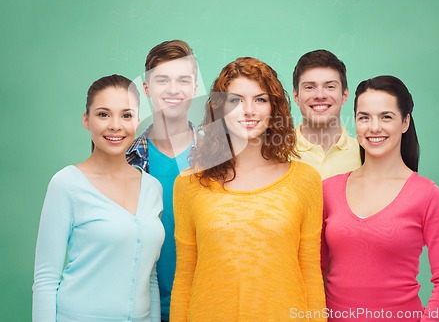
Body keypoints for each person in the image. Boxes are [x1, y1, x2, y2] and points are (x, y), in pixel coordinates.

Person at [170, 57, 326, 321]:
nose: (248, 110)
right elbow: (185, 276)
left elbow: (310, 274)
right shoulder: (189, 184)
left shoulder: (305, 180)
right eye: (236, 100)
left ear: (274, 109)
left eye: (260, 100)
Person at [321, 76, 439, 322]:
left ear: (405, 122)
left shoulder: (427, 195)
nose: (374, 127)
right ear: (355, 122)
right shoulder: (328, 191)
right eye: (364, 117)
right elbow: (315, 270)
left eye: (386, 117)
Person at [33, 74, 165, 322]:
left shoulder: (153, 188)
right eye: (103, 114)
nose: (115, 125)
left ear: (137, 120)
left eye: (126, 115)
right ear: (86, 120)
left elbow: (151, 276)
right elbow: (46, 279)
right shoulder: (67, 184)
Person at [126, 40, 198, 322]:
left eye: (183, 80)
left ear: (195, 87)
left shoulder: (219, 158)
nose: (172, 89)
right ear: (146, 89)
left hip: (205, 305)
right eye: (162, 80)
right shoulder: (126, 158)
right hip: (141, 310)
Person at [292, 49, 360, 179]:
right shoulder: (277, 153)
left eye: (330, 87)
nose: (320, 95)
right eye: (309, 87)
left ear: (344, 95)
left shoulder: (364, 154)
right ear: (296, 96)